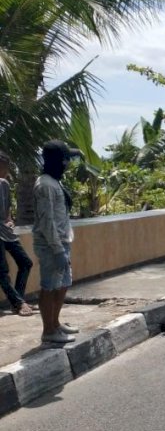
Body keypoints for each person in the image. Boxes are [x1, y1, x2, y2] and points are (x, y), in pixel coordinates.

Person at [33, 140, 82, 344]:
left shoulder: (55, 181)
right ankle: (49, 330)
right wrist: (57, 249)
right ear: (58, 161)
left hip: (62, 243)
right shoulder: (45, 185)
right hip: (51, 246)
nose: (68, 163)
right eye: (66, 159)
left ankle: (56, 323)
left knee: (62, 285)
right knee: (50, 286)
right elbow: (47, 221)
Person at [0, 152, 34, 316]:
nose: (6, 170)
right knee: (2, 271)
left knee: (26, 262)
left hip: (6, 231)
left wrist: (9, 220)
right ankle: (18, 303)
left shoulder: (4, 184)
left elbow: (7, 211)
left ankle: (18, 300)